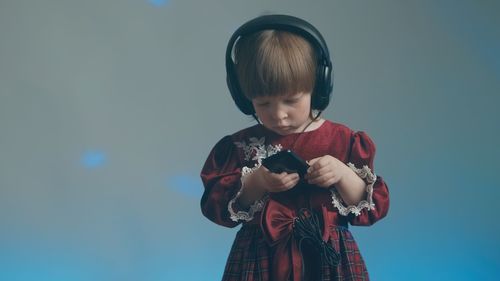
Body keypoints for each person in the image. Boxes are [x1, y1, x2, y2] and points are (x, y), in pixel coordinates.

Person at [200, 14, 389, 281]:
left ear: (319, 85)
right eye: (263, 104)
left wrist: (342, 174)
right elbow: (216, 207)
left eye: (291, 100)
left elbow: (371, 207)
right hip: (260, 260)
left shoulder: (344, 140)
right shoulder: (239, 146)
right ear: (244, 98)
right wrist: (258, 182)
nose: (279, 115)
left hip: (327, 259)